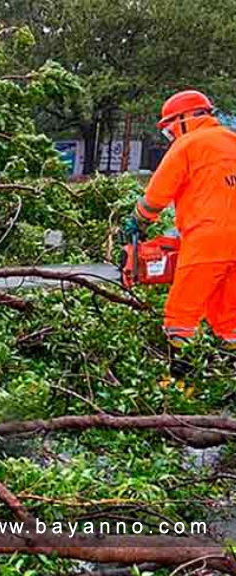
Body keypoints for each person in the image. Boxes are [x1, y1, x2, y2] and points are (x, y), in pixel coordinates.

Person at [125, 89, 236, 390]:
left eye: (169, 128)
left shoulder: (188, 144)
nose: (169, 135)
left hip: (207, 239)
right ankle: (229, 386)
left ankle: (178, 388)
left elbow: (157, 195)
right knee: (229, 320)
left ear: (185, 119)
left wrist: (137, 221)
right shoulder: (231, 140)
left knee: (180, 315)